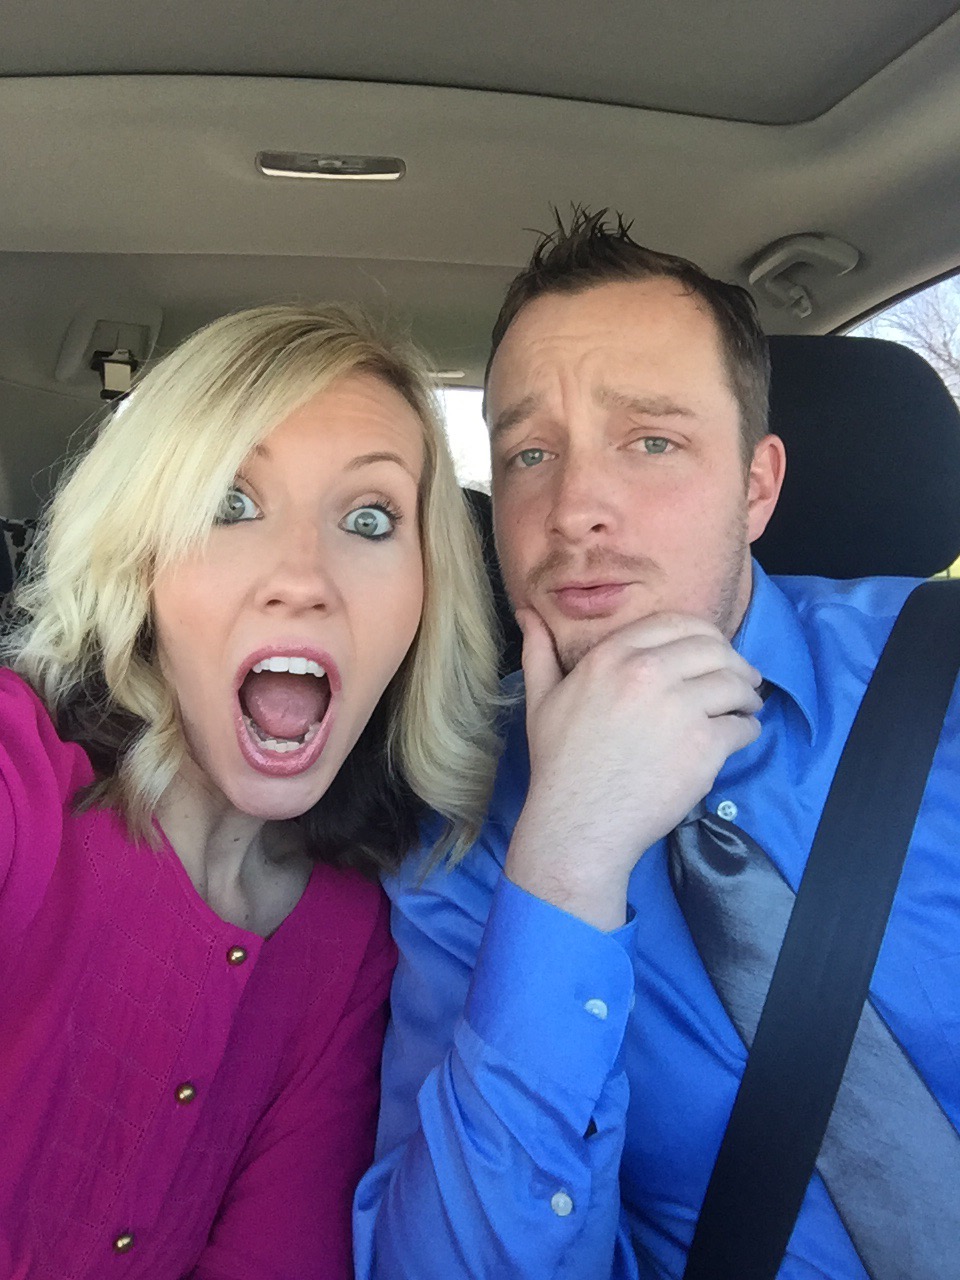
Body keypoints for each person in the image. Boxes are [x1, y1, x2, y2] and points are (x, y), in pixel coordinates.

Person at [354, 211, 960, 1278]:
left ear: (757, 486)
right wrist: (567, 862)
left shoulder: (941, 675)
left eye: (651, 441)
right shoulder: (459, 811)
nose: (574, 509)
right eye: (530, 453)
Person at [0, 303, 500, 1280]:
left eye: (369, 519)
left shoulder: (351, 940)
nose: (302, 579)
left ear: (427, 596)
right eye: (231, 503)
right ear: (140, 557)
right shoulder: (24, 780)